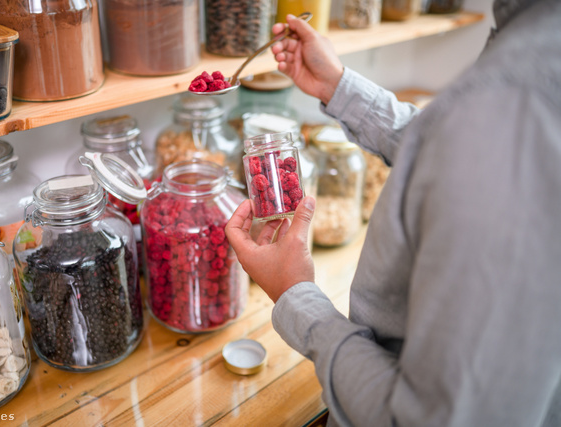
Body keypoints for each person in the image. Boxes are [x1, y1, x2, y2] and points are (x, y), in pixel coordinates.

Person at [225, 1, 561, 426]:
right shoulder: (525, 53)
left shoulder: (518, 97)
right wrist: (340, 87)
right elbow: (451, 152)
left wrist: (296, 297)